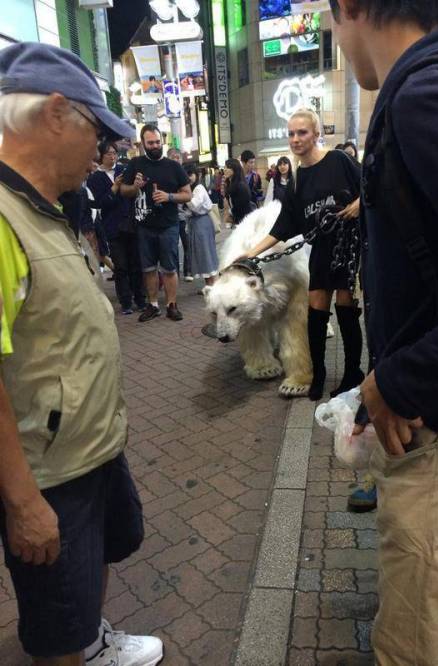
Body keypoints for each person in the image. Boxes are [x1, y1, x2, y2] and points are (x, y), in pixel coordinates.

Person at [329, 1, 438, 664]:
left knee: (424, 648)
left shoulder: (429, 92)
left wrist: (394, 382)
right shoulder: (434, 84)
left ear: (349, 7)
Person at [0, 42, 163, 666]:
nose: (104, 151)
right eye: (98, 130)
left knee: (92, 570)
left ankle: (92, 646)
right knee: (55, 619)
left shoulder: (43, 208)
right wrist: (21, 501)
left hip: (88, 449)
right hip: (47, 472)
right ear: (56, 114)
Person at [241, 108, 363, 402]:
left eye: (302, 132)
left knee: (346, 312)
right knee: (316, 312)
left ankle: (351, 373)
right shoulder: (297, 178)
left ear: (316, 134)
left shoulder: (338, 160)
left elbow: (371, 184)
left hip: (348, 247)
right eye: (291, 134)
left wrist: (359, 203)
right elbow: (284, 225)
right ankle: (318, 374)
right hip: (321, 251)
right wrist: (249, 254)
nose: (296, 139)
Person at [121, 125, 191, 322]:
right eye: (150, 143)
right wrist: (135, 186)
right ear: (143, 144)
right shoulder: (135, 164)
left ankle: (171, 305)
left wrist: (168, 196)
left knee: (169, 268)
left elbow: (187, 194)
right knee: (149, 268)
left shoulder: (174, 166)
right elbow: (124, 191)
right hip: (144, 226)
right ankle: (153, 305)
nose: (155, 146)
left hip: (169, 224)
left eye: (158, 142)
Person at [88, 140, 145, 315]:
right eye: (108, 154)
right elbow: (99, 204)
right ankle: (126, 302)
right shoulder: (95, 177)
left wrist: (135, 185)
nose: (112, 156)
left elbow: (133, 195)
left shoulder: (123, 170)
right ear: (101, 157)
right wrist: (114, 188)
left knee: (136, 263)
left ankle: (140, 300)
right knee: (120, 266)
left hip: (131, 223)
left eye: (114, 153)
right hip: (112, 227)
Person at [183, 166, 219, 287]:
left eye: (191, 174)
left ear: (196, 175)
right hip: (196, 223)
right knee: (201, 253)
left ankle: (213, 285)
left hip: (202, 222)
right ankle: (209, 284)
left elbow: (194, 206)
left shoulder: (198, 188)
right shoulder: (192, 188)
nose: (189, 177)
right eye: (186, 175)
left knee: (206, 253)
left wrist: (184, 197)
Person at [166, 147, 192, 281]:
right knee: (172, 247)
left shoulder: (185, 175)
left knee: (187, 245)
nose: (176, 160)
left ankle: (188, 271)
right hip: (171, 217)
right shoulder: (165, 174)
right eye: (173, 157)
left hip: (184, 216)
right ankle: (174, 273)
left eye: (178, 157)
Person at [224, 158, 253, 226]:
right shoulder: (231, 184)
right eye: (224, 167)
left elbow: (241, 208)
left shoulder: (240, 186)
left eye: (227, 168)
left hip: (245, 223)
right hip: (238, 221)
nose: (225, 170)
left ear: (235, 169)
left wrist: (229, 212)